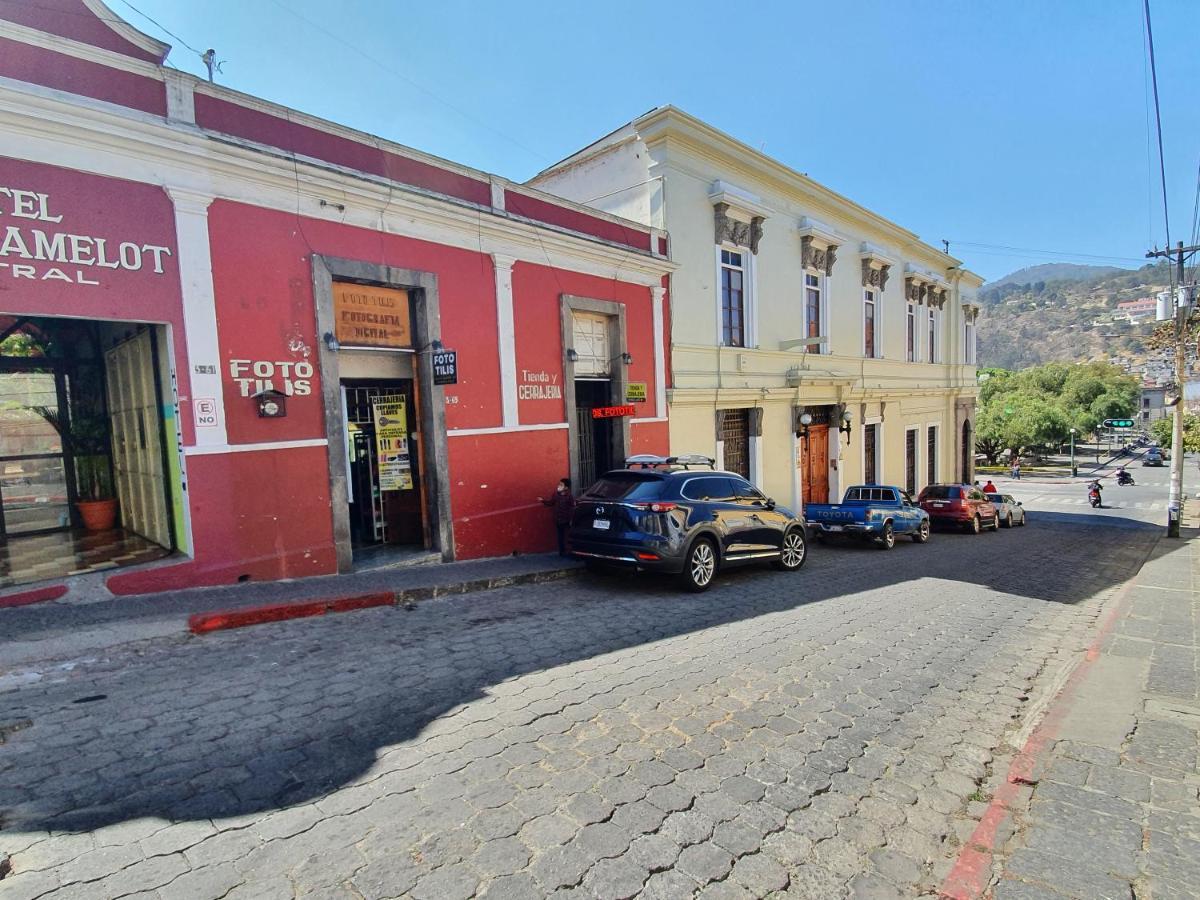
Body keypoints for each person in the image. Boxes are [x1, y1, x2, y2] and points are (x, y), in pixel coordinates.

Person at [540, 478, 576, 556]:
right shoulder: (555, 494)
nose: (559, 486)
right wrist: (543, 501)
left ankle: (571, 551)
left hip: (566, 520)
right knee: (560, 536)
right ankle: (562, 552)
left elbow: (572, 508)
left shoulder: (569, 496)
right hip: (558, 520)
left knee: (568, 536)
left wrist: (571, 519)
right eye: (559, 484)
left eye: (561, 485)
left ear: (566, 487)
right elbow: (551, 503)